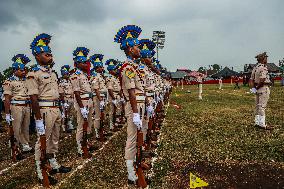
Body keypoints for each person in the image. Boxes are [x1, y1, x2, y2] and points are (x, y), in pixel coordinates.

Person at [26, 33, 71, 185]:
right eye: (46, 54)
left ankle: (53, 163)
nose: (50, 56)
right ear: (37, 56)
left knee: (54, 139)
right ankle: (40, 171)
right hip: (44, 110)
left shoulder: (51, 72)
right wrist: (38, 120)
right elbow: (33, 97)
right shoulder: (33, 73)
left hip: (55, 109)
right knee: (42, 142)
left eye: (51, 53)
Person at [114, 25, 147, 184]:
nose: (138, 48)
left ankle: (137, 164)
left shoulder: (134, 66)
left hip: (139, 105)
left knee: (138, 138)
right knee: (132, 137)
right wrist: (135, 113)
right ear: (129, 48)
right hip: (134, 106)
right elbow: (132, 92)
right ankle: (130, 172)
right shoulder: (127, 67)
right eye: (135, 46)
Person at [3, 54, 33, 154]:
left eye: (24, 70)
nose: (24, 72)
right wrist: (7, 114)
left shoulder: (26, 80)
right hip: (16, 107)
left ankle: (25, 144)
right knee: (16, 128)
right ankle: (15, 147)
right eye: (21, 70)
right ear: (15, 70)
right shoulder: (9, 82)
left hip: (26, 106)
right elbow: (6, 99)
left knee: (25, 127)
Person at [70, 47, 95, 157]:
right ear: (77, 63)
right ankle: (80, 147)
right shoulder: (75, 76)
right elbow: (76, 92)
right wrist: (81, 107)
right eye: (83, 62)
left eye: (86, 62)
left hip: (89, 101)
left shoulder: (84, 75)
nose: (86, 64)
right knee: (81, 125)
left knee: (89, 124)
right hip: (82, 102)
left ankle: (87, 143)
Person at [249, 52, 273, 130]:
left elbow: (251, 80)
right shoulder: (263, 67)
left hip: (257, 89)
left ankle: (257, 122)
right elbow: (262, 80)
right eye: (266, 58)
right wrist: (267, 83)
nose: (267, 59)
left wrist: (254, 88)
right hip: (263, 88)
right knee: (262, 107)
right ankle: (262, 124)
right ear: (263, 59)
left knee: (257, 107)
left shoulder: (255, 68)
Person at [89, 54, 109, 140]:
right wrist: (100, 100)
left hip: (102, 97)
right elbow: (96, 89)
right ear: (97, 68)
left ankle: (102, 131)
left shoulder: (101, 76)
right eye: (101, 67)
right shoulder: (95, 77)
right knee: (97, 115)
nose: (102, 68)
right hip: (98, 98)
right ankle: (97, 133)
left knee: (102, 115)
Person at [105, 59, 123, 132]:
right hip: (112, 96)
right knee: (112, 112)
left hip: (117, 95)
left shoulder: (115, 78)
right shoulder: (109, 78)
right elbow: (110, 89)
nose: (116, 71)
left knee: (117, 111)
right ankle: (111, 126)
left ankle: (115, 124)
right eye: (114, 69)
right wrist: (113, 99)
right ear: (110, 70)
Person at [58, 65, 75, 133]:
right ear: (63, 74)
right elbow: (61, 93)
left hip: (71, 99)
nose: (68, 75)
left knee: (71, 114)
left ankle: (70, 125)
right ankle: (63, 126)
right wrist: (63, 102)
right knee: (64, 114)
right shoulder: (62, 83)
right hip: (65, 99)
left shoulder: (70, 81)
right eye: (66, 74)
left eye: (68, 74)